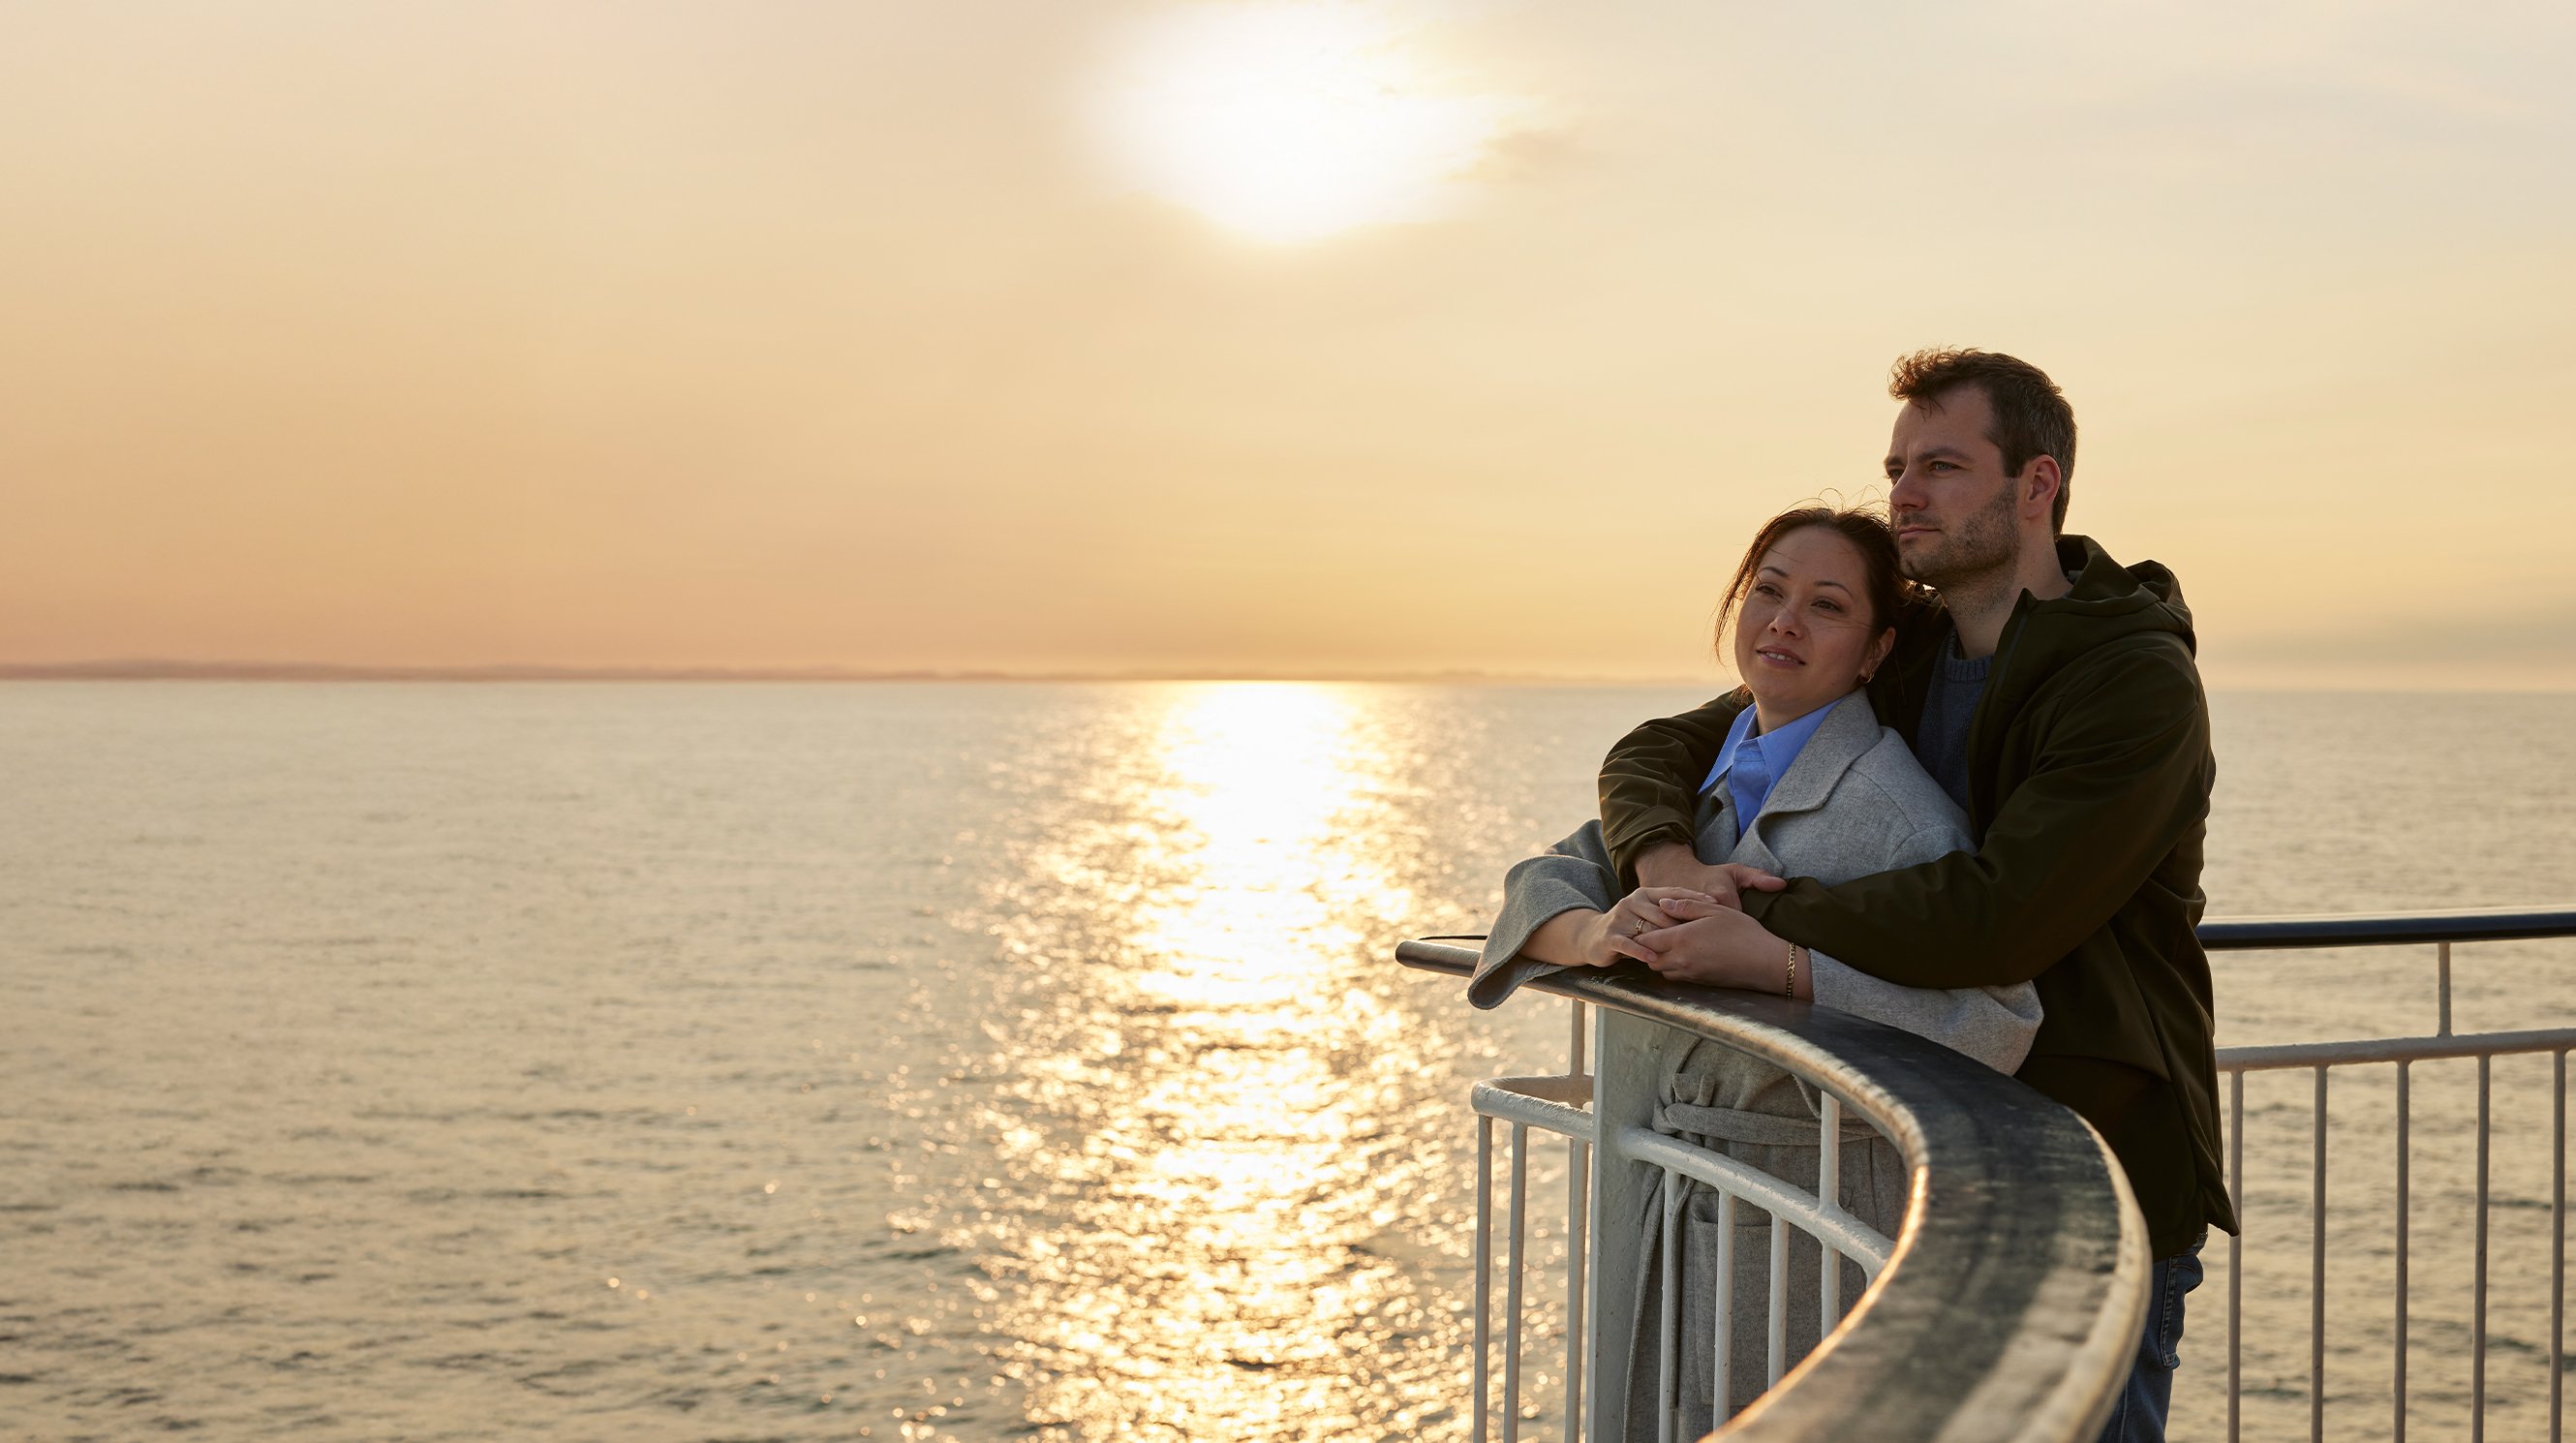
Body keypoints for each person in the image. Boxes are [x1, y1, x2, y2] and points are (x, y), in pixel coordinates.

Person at [1597, 349, 2232, 1443]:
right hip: (1926, 1163)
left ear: (2036, 483)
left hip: (2097, 1167)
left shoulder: (2131, 676)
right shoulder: (1910, 648)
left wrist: (1758, 928)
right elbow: (1663, 744)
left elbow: (2003, 911)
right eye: (1894, 464)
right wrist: (1666, 862)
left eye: (1940, 464)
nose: (1901, 492)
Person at [1467, 505, 2041, 1437]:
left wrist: (1784, 967)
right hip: (1685, 1176)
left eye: (1825, 606)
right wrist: (1599, 934)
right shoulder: (1713, 775)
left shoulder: (1895, 813)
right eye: (1769, 591)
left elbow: (1998, 1020)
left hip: (1818, 1209)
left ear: (1874, 651)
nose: (1783, 620)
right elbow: (1546, 876)